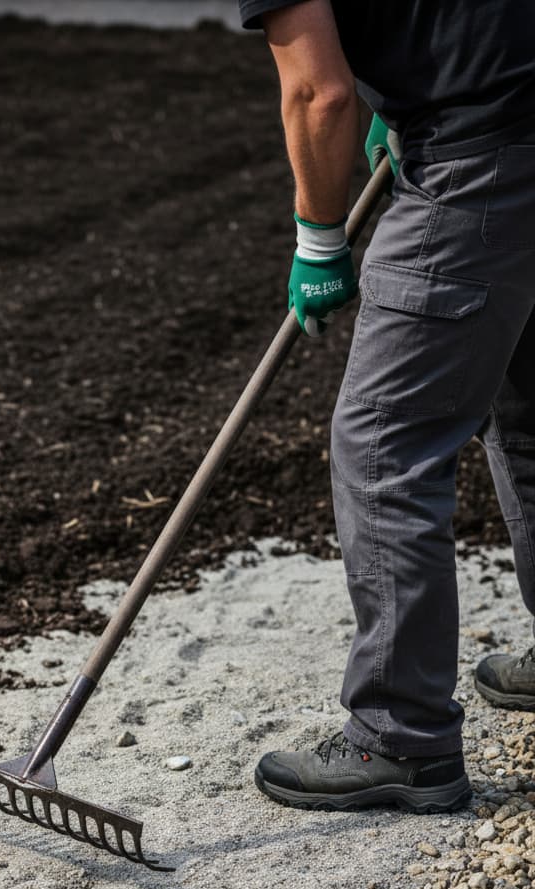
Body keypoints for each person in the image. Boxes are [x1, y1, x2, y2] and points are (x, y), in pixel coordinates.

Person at [237, 0, 535, 814]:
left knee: (384, 446)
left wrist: (318, 239)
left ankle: (402, 740)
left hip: (475, 166)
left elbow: (319, 94)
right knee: (530, 413)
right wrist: (417, 98)